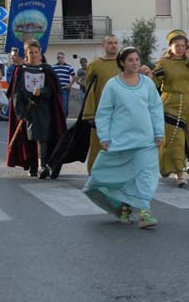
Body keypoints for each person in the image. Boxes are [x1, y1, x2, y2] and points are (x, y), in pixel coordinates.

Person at [82, 47, 165, 229]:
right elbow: (104, 112)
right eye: (130, 60)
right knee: (124, 178)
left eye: (136, 59)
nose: (134, 63)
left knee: (146, 176)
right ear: (122, 63)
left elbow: (155, 108)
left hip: (146, 140)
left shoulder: (147, 84)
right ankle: (125, 207)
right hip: (122, 140)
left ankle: (144, 213)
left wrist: (159, 132)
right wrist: (104, 136)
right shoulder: (113, 85)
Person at [146, 30, 189, 187]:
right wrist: (147, 77)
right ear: (170, 47)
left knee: (186, 138)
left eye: (183, 45)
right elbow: (153, 84)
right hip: (170, 103)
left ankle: (170, 165)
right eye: (177, 46)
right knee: (176, 138)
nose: (180, 48)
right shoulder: (163, 64)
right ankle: (180, 174)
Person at [6, 39, 66, 178]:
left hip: (43, 109)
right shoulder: (20, 70)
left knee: (42, 137)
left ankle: (42, 164)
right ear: (26, 54)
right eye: (30, 52)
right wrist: (19, 111)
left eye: (36, 52)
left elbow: (54, 91)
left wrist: (43, 91)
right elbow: (16, 92)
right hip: (27, 108)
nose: (33, 55)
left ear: (40, 53)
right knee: (28, 139)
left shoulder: (47, 70)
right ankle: (32, 165)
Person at [82, 36, 121, 174]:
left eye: (116, 43)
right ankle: (95, 174)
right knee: (98, 146)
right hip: (101, 113)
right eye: (110, 43)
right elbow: (90, 90)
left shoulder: (124, 63)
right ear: (103, 45)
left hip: (121, 113)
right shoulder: (95, 65)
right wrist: (91, 113)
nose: (113, 45)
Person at [52, 52, 76, 117]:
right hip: (56, 90)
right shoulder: (53, 67)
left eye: (61, 57)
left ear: (64, 58)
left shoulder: (69, 67)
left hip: (65, 89)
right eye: (58, 57)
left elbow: (74, 77)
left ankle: (64, 120)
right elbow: (51, 78)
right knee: (56, 105)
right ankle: (58, 120)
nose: (60, 59)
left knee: (64, 106)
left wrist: (70, 85)